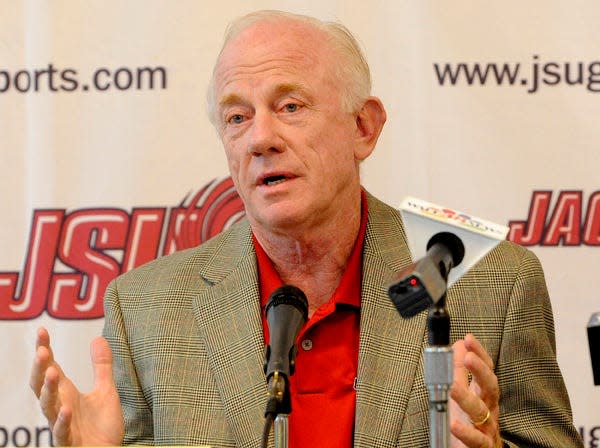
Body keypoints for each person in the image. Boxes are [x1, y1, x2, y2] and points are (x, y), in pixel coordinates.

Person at [30, 9, 582, 448]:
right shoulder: (146, 308)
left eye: (289, 106)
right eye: (237, 117)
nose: (259, 138)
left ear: (364, 127)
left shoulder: (489, 281)